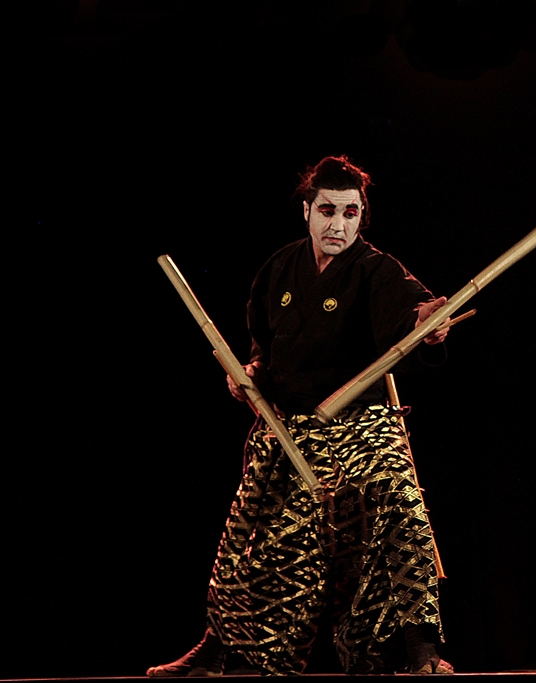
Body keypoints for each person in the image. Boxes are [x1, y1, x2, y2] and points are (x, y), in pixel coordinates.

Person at [147, 156, 454, 676]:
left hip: (362, 424)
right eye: (328, 211)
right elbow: (266, 350)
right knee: (250, 535)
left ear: (362, 217)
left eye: (351, 213)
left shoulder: (376, 269)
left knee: (402, 508)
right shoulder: (280, 268)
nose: (339, 225)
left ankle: (421, 651)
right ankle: (217, 651)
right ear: (307, 211)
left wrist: (428, 322)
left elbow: (410, 313)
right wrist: (249, 374)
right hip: (291, 428)